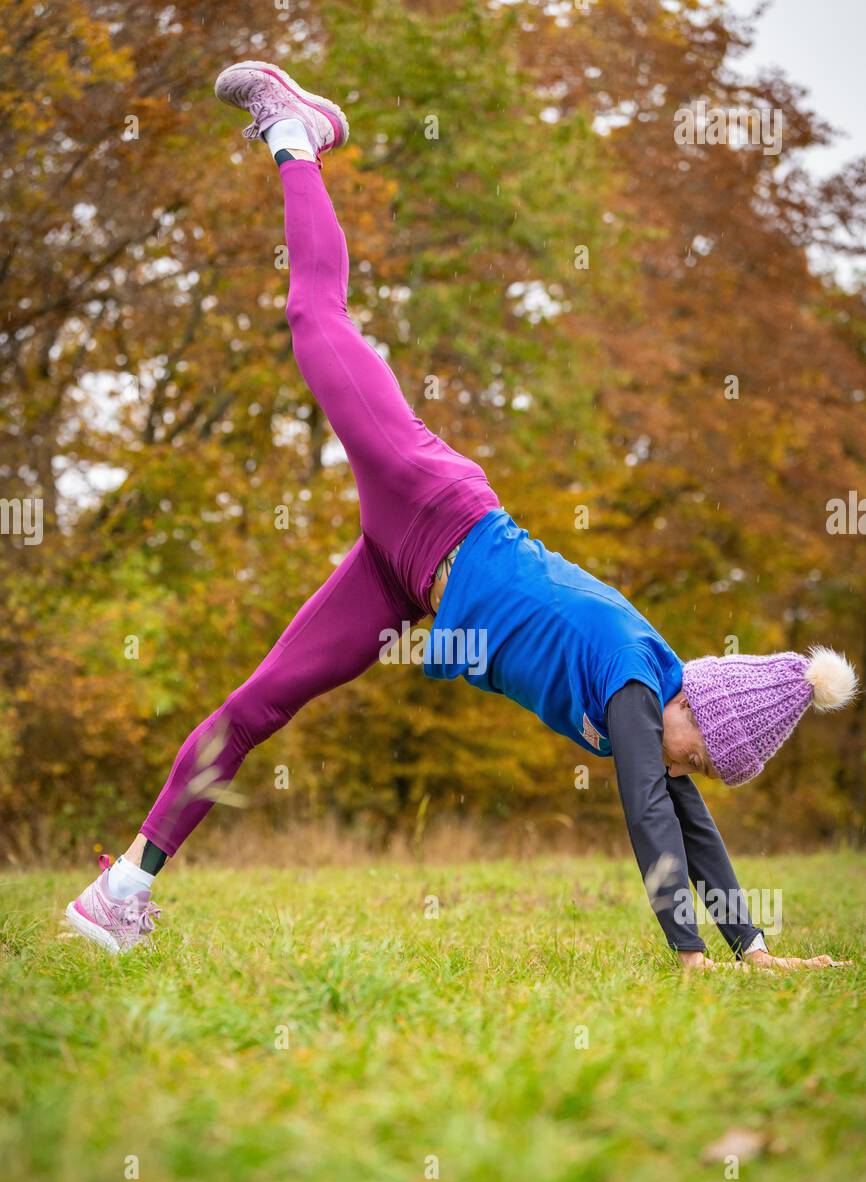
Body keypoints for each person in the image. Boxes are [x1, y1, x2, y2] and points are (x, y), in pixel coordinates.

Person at [66, 61, 858, 971]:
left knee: (260, 702)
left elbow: (690, 823)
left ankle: (124, 890)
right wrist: (689, 956)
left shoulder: (654, 699)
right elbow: (650, 812)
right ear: (694, 714)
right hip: (430, 500)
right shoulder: (638, 683)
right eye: (698, 758)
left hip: (405, 576)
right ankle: (297, 137)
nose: (685, 772)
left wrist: (751, 951)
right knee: (313, 317)